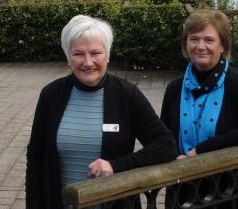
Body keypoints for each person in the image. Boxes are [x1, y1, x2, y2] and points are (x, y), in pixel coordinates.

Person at [26, 15, 176, 208]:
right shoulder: (51, 95)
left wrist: (116, 166)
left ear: (108, 54)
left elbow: (166, 146)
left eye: (95, 53)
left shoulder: (126, 94)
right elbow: (36, 157)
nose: (88, 62)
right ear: (68, 57)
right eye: (78, 54)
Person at [160, 9, 238, 209]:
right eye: (194, 39)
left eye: (209, 40)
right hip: (183, 189)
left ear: (222, 45)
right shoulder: (175, 88)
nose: (201, 46)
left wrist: (199, 153)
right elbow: (164, 136)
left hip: (228, 191)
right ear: (186, 44)